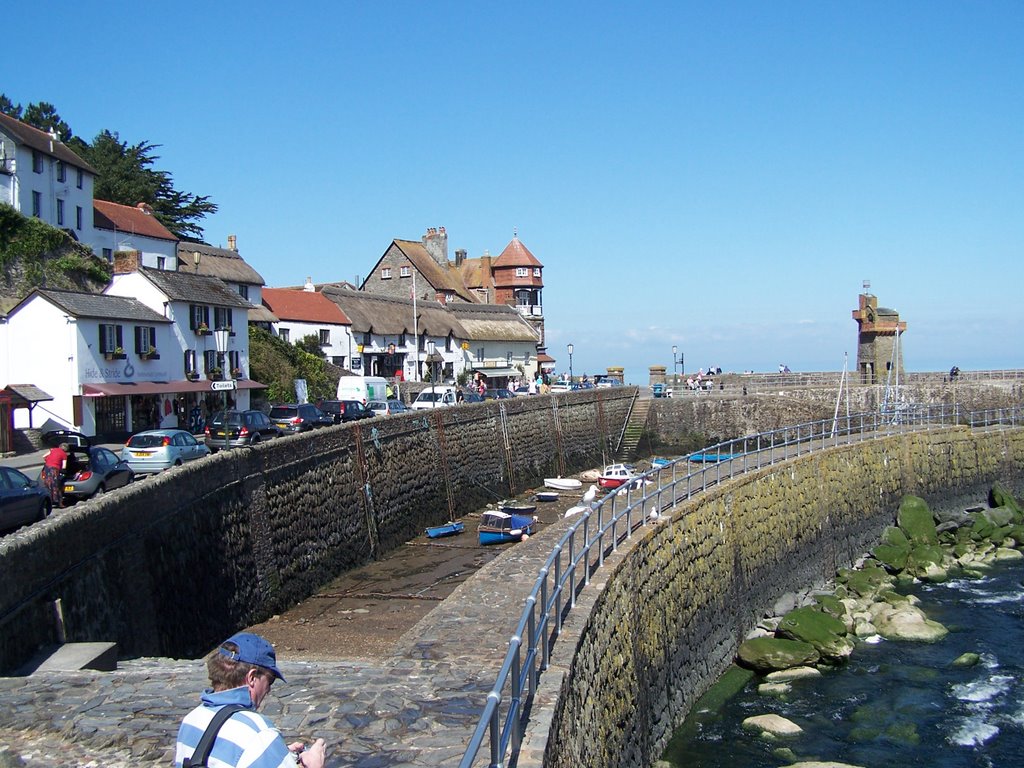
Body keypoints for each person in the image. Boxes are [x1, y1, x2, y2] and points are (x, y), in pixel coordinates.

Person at [175, 632, 327, 768]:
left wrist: (275, 753)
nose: (269, 690)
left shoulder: (191, 720)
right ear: (252, 677)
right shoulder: (258, 732)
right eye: (270, 680)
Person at [41, 442, 69, 507]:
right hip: (54, 470)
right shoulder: (64, 454)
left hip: (47, 468)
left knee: (47, 484)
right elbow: (64, 466)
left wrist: (48, 460)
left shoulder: (52, 450)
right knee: (56, 485)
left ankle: (48, 501)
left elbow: (43, 456)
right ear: (66, 449)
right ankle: (59, 502)